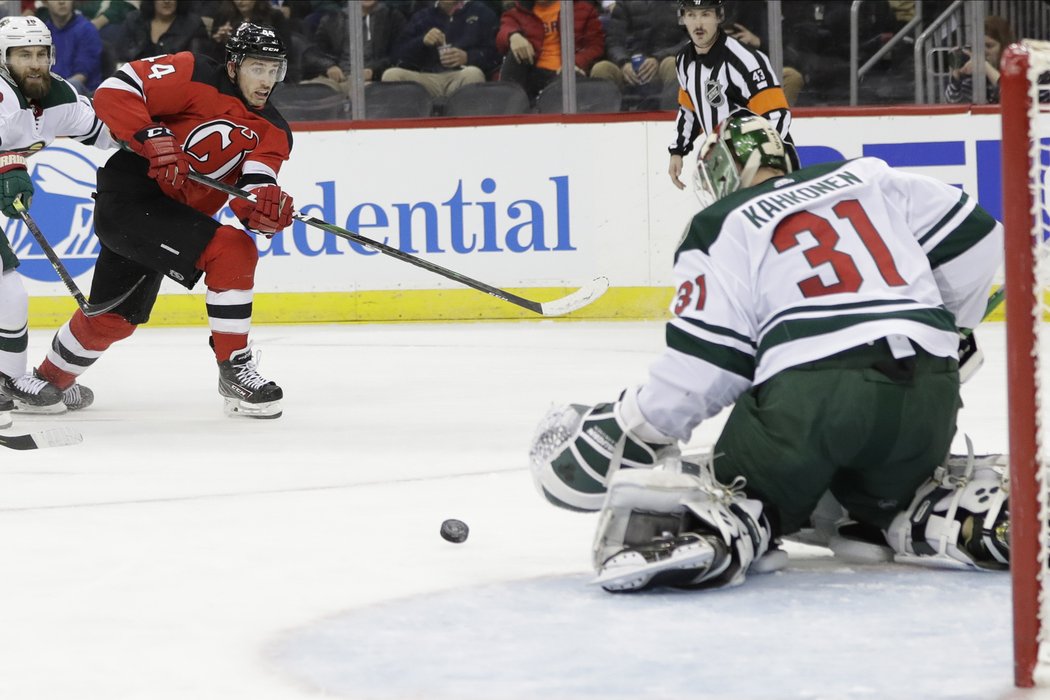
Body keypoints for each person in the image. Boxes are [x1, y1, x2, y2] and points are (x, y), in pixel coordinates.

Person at [529, 113, 1007, 593]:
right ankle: (942, 515)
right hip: (929, 392)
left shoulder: (721, 223)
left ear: (718, 172)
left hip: (812, 399)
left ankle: (720, 523)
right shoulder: (866, 175)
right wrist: (951, 329)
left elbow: (707, 365)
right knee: (894, 493)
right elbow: (980, 235)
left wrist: (633, 423)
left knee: (738, 483)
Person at [34, 22, 296, 420]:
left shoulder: (273, 131)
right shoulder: (193, 71)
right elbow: (114, 90)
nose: (266, 81)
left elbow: (252, 192)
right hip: (130, 196)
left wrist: (266, 211)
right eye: (257, 68)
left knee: (114, 320)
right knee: (232, 250)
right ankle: (235, 368)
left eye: (274, 70)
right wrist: (151, 135)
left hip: (169, 219)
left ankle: (46, 384)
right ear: (233, 65)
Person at [0, 15, 112, 413]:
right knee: (9, 291)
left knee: (6, 289)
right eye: (23, 54)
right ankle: (11, 382)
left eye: (40, 53)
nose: (34, 63)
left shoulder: (59, 94)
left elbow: (106, 132)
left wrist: (155, 145)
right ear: (4, 58)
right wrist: (7, 168)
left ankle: (8, 381)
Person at [667, 0, 795, 190]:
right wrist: (677, 151)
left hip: (767, 172)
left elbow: (777, 116)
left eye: (706, 14)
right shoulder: (684, 60)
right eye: (691, 15)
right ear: (682, 18)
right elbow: (690, 110)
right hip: (727, 169)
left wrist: (755, 164)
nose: (698, 24)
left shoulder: (746, 60)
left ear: (719, 16)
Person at [382, 0, 499, 99]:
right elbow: (398, 55)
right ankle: (408, 126)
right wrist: (422, 41)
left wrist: (468, 57)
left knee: (473, 73)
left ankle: (466, 125)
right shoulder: (422, 16)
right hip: (426, 79)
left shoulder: (482, 13)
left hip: (461, 76)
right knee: (391, 75)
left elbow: (496, 55)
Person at [496, 0, 605, 103]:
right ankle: (507, 109)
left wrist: (576, 62)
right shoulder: (519, 10)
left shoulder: (583, 9)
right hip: (532, 71)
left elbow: (596, 47)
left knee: (569, 77)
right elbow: (504, 31)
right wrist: (513, 36)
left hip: (566, 73)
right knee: (514, 57)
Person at [588, 0, 686, 110]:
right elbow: (613, 41)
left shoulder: (680, 3)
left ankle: (673, 119)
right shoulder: (624, 3)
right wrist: (624, 63)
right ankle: (606, 123)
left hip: (662, 62)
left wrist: (658, 58)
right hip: (628, 65)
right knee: (601, 69)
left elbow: (688, 40)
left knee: (673, 64)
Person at [308, 0, 406, 89]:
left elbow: (398, 54)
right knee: (314, 90)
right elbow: (313, 53)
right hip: (338, 79)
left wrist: (373, 71)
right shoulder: (331, 19)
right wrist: (329, 66)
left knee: (365, 93)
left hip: (374, 81)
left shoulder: (393, 17)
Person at [945, 15, 1015, 104]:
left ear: (1005, 46)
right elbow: (954, 103)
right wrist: (956, 76)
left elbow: (1012, 98)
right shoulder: (973, 76)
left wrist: (986, 67)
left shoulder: (1018, 70)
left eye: (989, 46)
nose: (984, 51)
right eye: (979, 46)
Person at [38, 0, 102, 95]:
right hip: (51, 90)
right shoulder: (42, 33)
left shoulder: (87, 29)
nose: (62, 2)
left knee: (73, 84)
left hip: (84, 94)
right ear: (45, 2)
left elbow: (81, 75)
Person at [114, 0, 209, 64]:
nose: (167, 1)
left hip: (176, 85)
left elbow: (199, 64)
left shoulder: (194, 24)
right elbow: (120, 57)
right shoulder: (134, 20)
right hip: (136, 83)